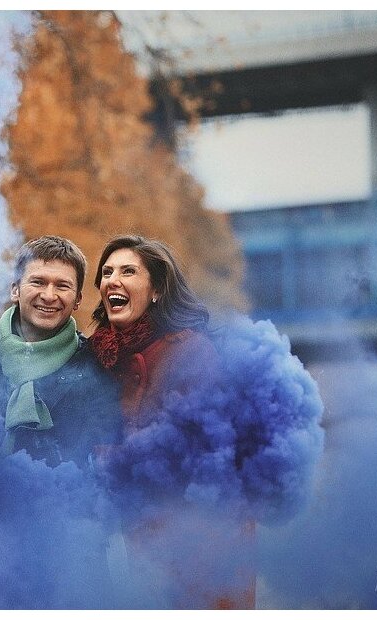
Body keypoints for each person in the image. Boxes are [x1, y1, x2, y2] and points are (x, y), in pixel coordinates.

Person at [89, 234, 255, 609]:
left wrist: (107, 455)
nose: (112, 280)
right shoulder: (103, 354)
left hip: (201, 535)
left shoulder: (189, 350)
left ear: (157, 290)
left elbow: (194, 450)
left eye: (128, 271)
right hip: (145, 531)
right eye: (107, 272)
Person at [0, 235, 121, 468]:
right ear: (15, 290)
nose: (49, 296)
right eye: (37, 282)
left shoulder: (97, 368)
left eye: (62, 286)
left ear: (77, 299)